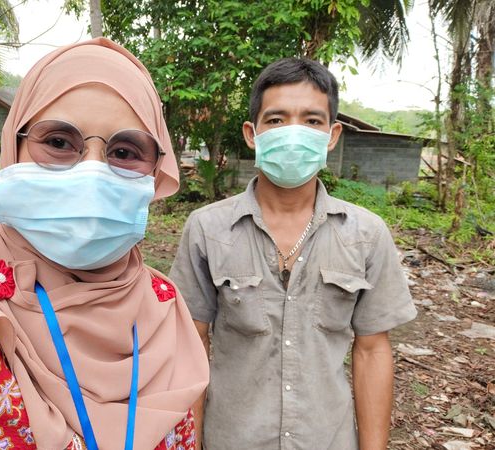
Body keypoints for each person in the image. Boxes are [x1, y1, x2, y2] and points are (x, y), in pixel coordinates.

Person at [0, 38, 208, 450]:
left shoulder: (163, 308)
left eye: (124, 151)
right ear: (15, 148)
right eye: (59, 142)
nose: (92, 174)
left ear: (154, 172)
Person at [169, 57, 417, 450]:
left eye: (312, 120)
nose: (293, 133)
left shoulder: (365, 234)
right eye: (277, 119)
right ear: (252, 134)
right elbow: (191, 344)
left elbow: (372, 350)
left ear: (332, 135)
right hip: (232, 439)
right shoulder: (207, 229)